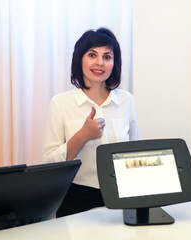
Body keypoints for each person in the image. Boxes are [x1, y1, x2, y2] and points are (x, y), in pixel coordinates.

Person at [42, 27, 139, 217]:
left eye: (107, 57)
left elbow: (135, 152)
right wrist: (83, 135)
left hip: (122, 195)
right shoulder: (60, 103)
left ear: (114, 64)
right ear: (80, 59)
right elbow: (48, 164)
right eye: (92, 54)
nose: (100, 63)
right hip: (76, 198)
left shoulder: (127, 100)